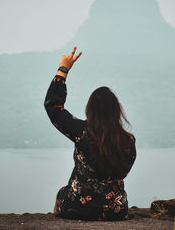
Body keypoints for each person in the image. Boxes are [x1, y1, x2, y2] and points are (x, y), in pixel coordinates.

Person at [44, 46, 136, 221]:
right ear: (116, 111)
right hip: (115, 210)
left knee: (61, 194)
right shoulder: (128, 141)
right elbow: (123, 172)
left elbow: (53, 108)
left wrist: (63, 69)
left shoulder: (82, 132)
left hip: (78, 207)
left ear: (90, 109)